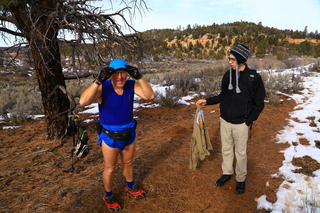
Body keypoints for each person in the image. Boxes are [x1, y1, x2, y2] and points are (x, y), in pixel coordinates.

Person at [79, 59, 154, 212]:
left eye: (123, 73)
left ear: (127, 74)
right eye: (116, 73)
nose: (120, 77)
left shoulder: (131, 86)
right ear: (110, 74)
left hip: (129, 133)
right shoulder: (102, 88)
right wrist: (97, 80)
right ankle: (108, 195)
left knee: (128, 163)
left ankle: (130, 186)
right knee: (110, 168)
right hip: (109, 136)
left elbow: (149, 96)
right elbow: (83, 102)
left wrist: (139, 77)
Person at [196, 44, 265, 194]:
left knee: (240, 153)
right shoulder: (228, 75)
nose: (229, 62)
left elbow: (259, 103)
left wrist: (249, 120)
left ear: (241, 60)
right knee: (226, 150)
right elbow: (223, 96)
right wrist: (206, 101)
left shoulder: (254, 78)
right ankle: (227, 173)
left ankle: (240, 179)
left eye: (232, 59)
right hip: (225, 121)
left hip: (241, 123)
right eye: (229, 59)